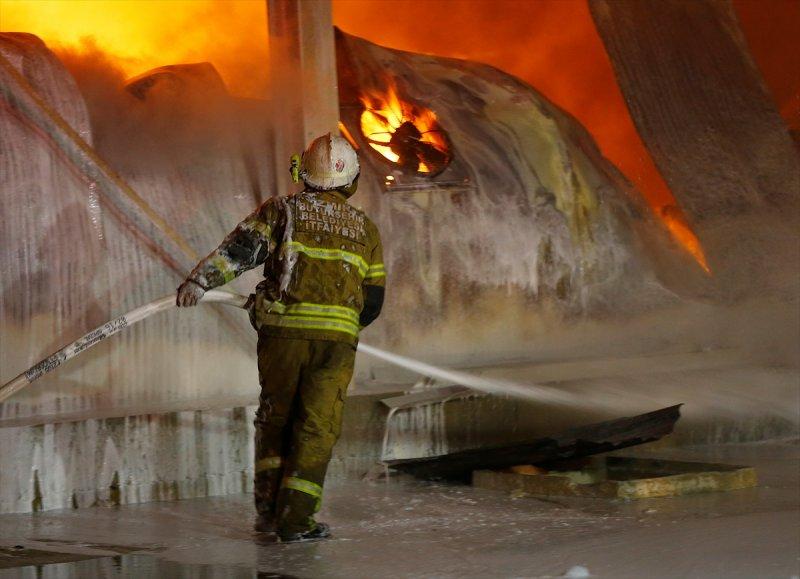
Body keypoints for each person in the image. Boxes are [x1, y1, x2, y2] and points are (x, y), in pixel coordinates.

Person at [176, 133, 386, 543]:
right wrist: (339, 325)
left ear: (302, 174)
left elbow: (239, 251)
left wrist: (199, 282)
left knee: (276, 422)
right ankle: (297, 521)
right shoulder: (366, 229)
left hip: (283, 338)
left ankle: (269, 516)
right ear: (352, 181)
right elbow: (373, 302)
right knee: (316, 429)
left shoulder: (283, 211)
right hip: (335, 347)